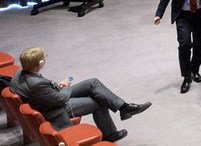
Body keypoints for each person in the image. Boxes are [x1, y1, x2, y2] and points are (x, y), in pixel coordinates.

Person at [10, 48, 150, 143]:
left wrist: (56, 86)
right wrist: (65, 87)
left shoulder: (20, 73)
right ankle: (110, 134)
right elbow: (60, 99)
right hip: (55, 109)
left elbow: (43, 89)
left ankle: (124, 107)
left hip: (48, 98)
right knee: (99, 100)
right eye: (44, 57)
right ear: (40, 63)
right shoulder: (36, 84)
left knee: (92, 83)